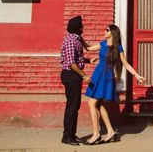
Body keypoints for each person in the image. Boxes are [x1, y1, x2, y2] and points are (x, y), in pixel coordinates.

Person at [82, 24, 146, 144]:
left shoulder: (118, 47)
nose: (104, 31)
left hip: (106, 77)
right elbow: (88, 48)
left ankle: (96, 134)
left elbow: (125, 64)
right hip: (98, 74)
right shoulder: (102, 43)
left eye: (106, 30)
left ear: (112, 32)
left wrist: (136, 75)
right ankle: (110, 131)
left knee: (91, 102)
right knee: (99, 104)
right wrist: (79, 38)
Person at [60, 16, 88, 146]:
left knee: (74, 105)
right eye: (81, 26)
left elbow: (75, 58)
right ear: (77, 28)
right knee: (72, 106)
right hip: (72, 75)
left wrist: (88, 60)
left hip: (73, 74)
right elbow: (71, 63)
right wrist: (84, 75)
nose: (83, 27)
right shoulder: (72, 41)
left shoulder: (75, 39)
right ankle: (67, 136)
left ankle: (71, 134)